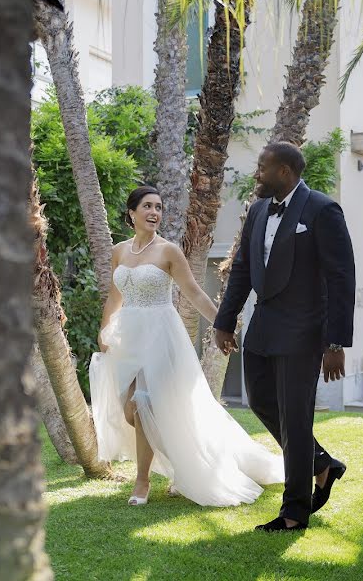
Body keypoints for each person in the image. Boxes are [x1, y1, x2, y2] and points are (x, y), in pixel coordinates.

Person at [90, 186, 283, 506]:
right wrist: (104, 329)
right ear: (132, 212)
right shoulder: (119, 251)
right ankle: (185, 462)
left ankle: (142, 482)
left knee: (143, 402)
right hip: (128, 337)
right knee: (131, 413)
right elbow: (115, 296)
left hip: (160, 335)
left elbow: (193, 293)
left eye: (159, 207)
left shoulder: (168, 251)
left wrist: (222, 324)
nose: (155, 212)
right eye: (148, 206)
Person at [213, 142, 355, 532]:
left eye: (262, 168)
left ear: (285, 173)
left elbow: (342, 279)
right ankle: (321, 464)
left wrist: (335, 343)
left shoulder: (323, 210)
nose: (256, 174)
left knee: (295, 417)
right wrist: (225, 321)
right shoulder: (259, 209)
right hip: (263, 326)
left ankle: (294, 512)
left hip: (305, 330)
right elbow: (242, 267)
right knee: (259, 400)